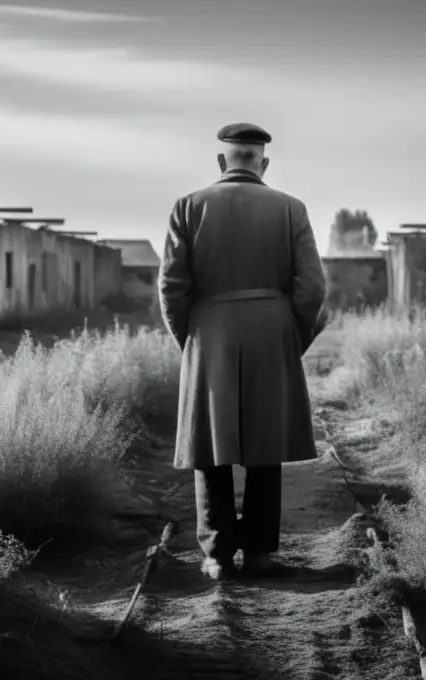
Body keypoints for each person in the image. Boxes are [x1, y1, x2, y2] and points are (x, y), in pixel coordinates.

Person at [157, 122, 328, 581]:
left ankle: (215, 555)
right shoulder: (291, 208)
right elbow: (312, 287)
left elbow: (171, 288)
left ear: (221, 162)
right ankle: (258, 554)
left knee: (209, 447)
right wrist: (293, 337)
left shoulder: (188, 206)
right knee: (264, 445)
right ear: (264, 163)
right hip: (272, 331)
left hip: (209, 331)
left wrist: (189, 341)